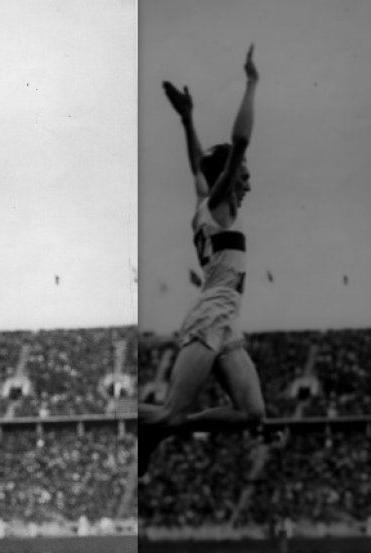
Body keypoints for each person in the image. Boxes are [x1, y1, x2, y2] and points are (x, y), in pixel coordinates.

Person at [138, 45, 265, 476]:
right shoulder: (220, 205)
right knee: (170, 412)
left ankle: (159, 431)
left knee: (251, 414)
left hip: (225, 319)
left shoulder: (205, 204)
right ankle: (123, 416)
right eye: (242, 177)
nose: (247, 184)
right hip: (211, 314)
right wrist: (251, 82)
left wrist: (187, 119)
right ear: (226, 181)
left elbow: (198, 166)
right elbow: (240, 141)